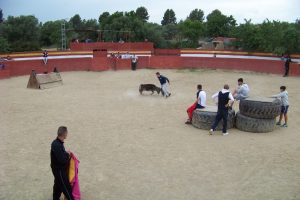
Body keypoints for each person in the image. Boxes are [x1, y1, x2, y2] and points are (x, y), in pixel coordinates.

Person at [50, 126, 74, 200]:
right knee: (66, 187)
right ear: (64, 134)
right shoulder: (56, 145)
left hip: (57, 169)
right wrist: (68, 155)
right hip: (59, 170)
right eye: (66, 133)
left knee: (58, 185)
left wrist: (66, 153)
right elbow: (62, 160)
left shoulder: (57, 143)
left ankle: (55, 198)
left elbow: (61, 155)